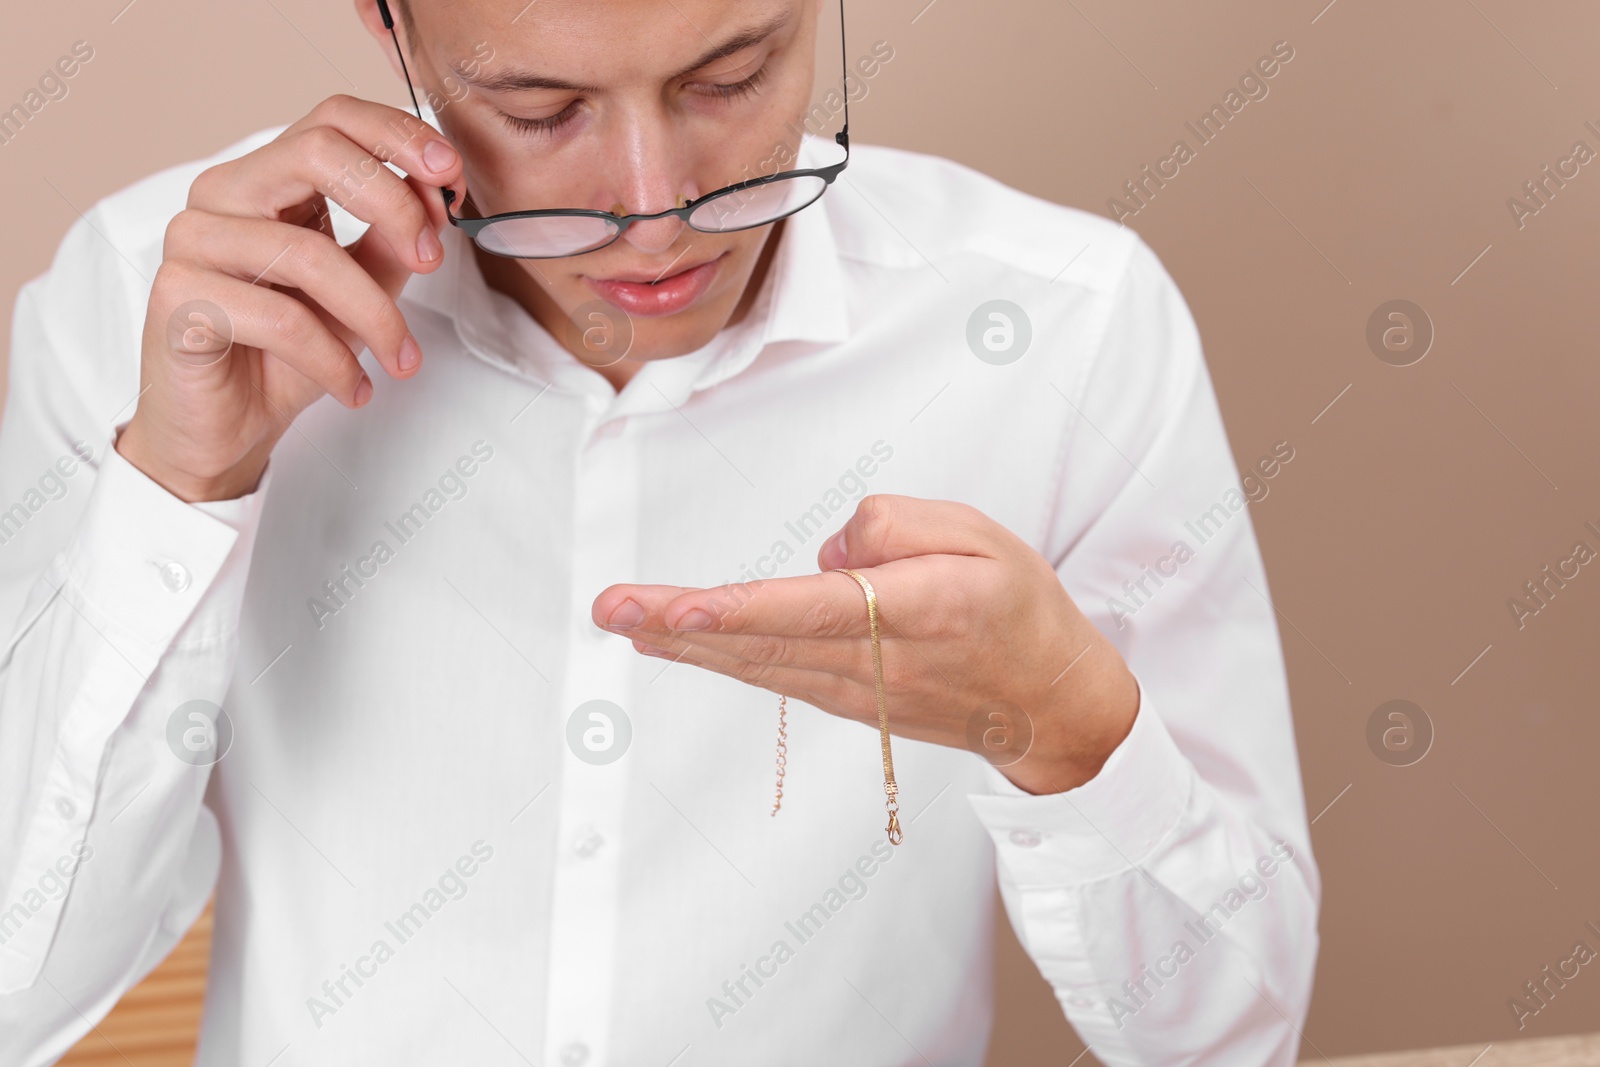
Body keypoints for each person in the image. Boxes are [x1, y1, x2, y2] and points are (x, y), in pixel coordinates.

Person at [0, 0, 1320, 1063]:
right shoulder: (149, 303)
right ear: (385, 24)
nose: (657, 200)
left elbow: (1230, 1036)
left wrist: (1068, 731)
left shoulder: (1068, 328)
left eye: (732, 71)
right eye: (542, 106)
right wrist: (179, 490)